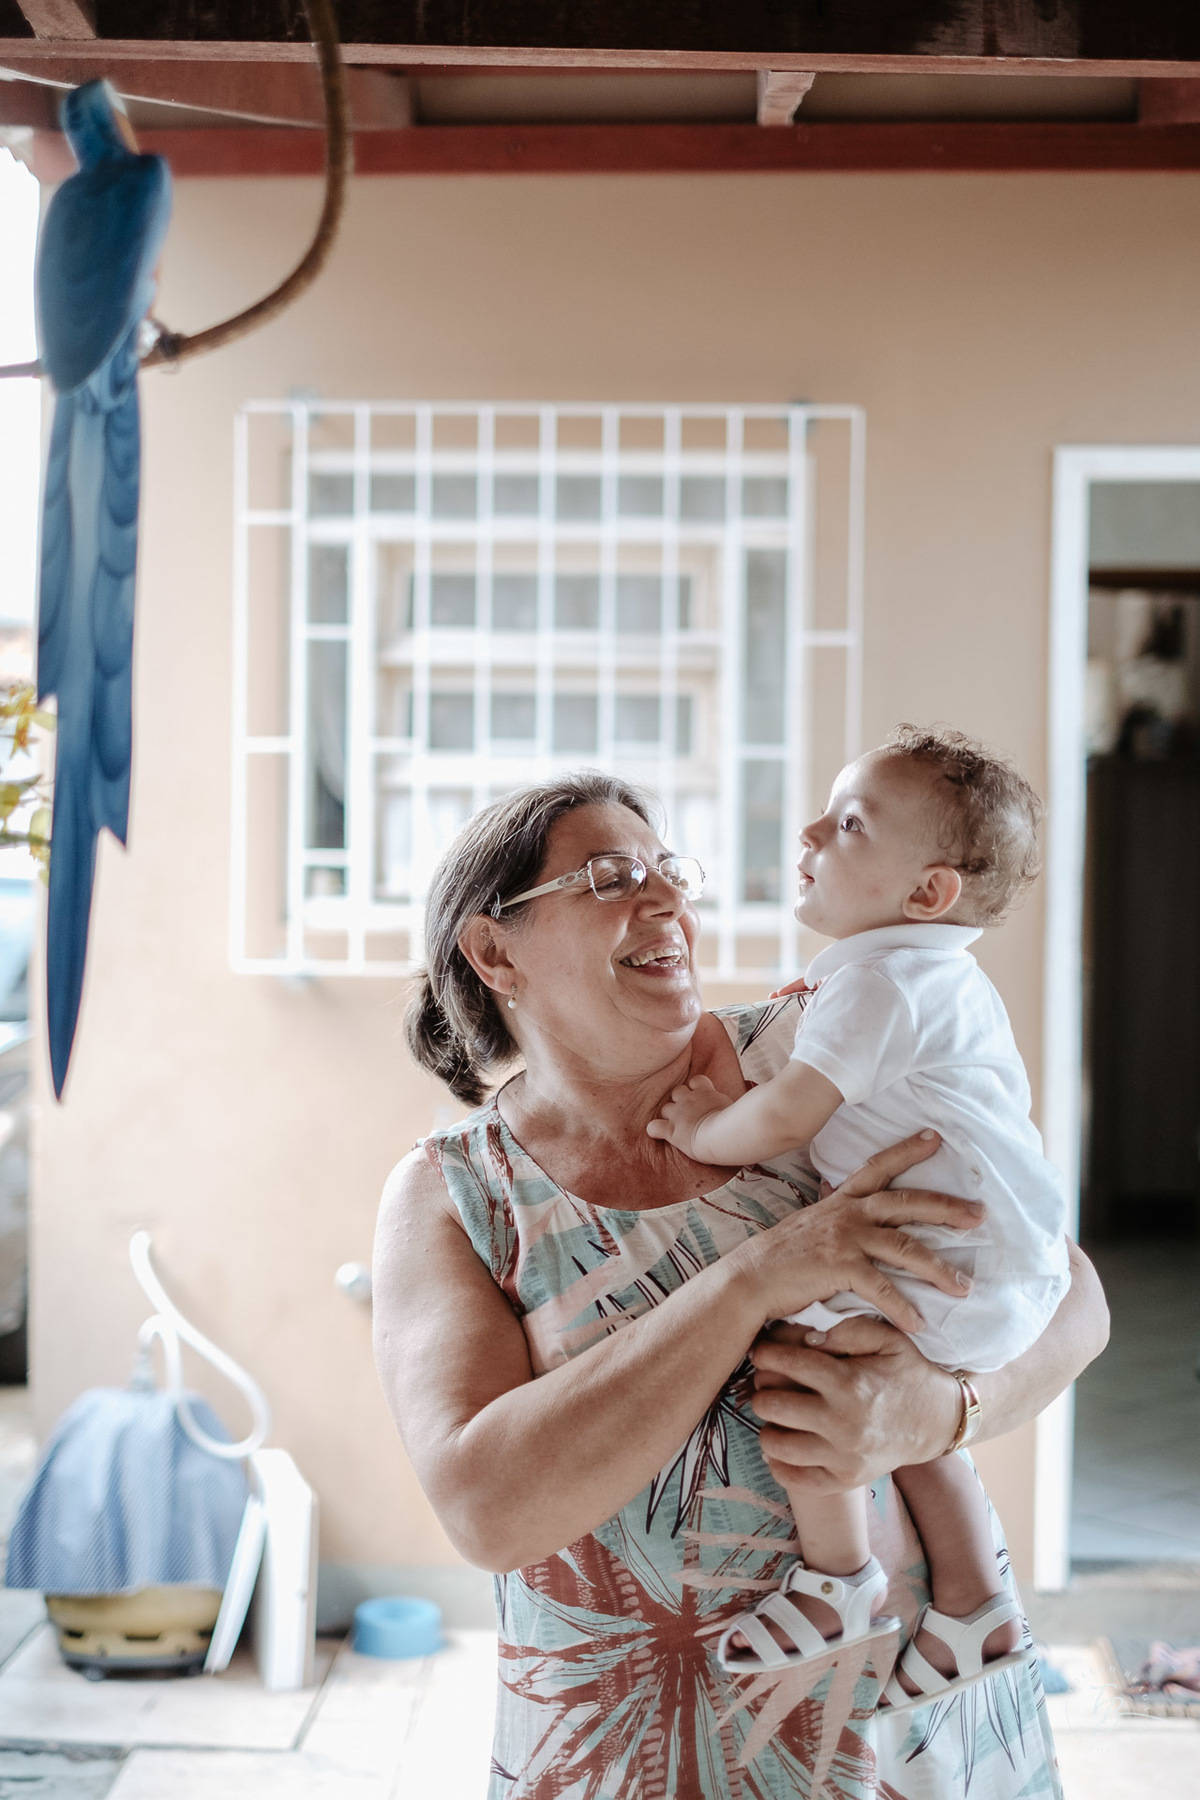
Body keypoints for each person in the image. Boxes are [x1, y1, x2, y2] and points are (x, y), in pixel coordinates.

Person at [372, 770, 1107, 1800]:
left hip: (912, 1739)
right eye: (610, 876)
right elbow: (489, 1511)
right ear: (495, 952)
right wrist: (755, 1278)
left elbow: (1071, 1295)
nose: (667, 897)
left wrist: (941, 1410)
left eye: (669, 867)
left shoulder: (821, 1052)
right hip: (627, 1757)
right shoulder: (456, 1194)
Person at [648, 726, 1068, 1709]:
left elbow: (789, 1112)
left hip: (953, 1257)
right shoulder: (933, 977)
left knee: (804, 1366)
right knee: (914, 1414)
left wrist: (708, 1128)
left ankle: (838, 1581)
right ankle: (980, 1607)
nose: (806, 831)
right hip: (1010, 1260)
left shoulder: (877, 982)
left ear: (927, 894)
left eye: (846, 823)